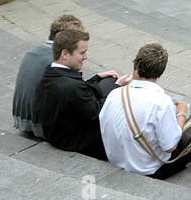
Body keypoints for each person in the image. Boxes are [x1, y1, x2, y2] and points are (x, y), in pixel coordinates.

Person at [100, 43, 191, 180]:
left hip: (116, 160)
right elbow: (170, 147)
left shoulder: (114, 94)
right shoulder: (161, 102)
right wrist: (181, 113)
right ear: (160, 73)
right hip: (150, 169)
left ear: (135, 67)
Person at [34, 27, 127, 160]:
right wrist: (117, 88)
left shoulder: (50, 74)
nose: (86, 57)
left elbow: (78, 94)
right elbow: (98, 112)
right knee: (119, 100)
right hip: (77, 141)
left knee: (109, 81)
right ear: (65, 54)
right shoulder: (72, 86)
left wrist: (97, 77)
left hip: (57, 133)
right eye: (82, 53)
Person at [13, 13, 84, 139]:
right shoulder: (60, 60)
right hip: (42, 126)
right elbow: (77, 95)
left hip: (21, 119)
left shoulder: (32, 52)